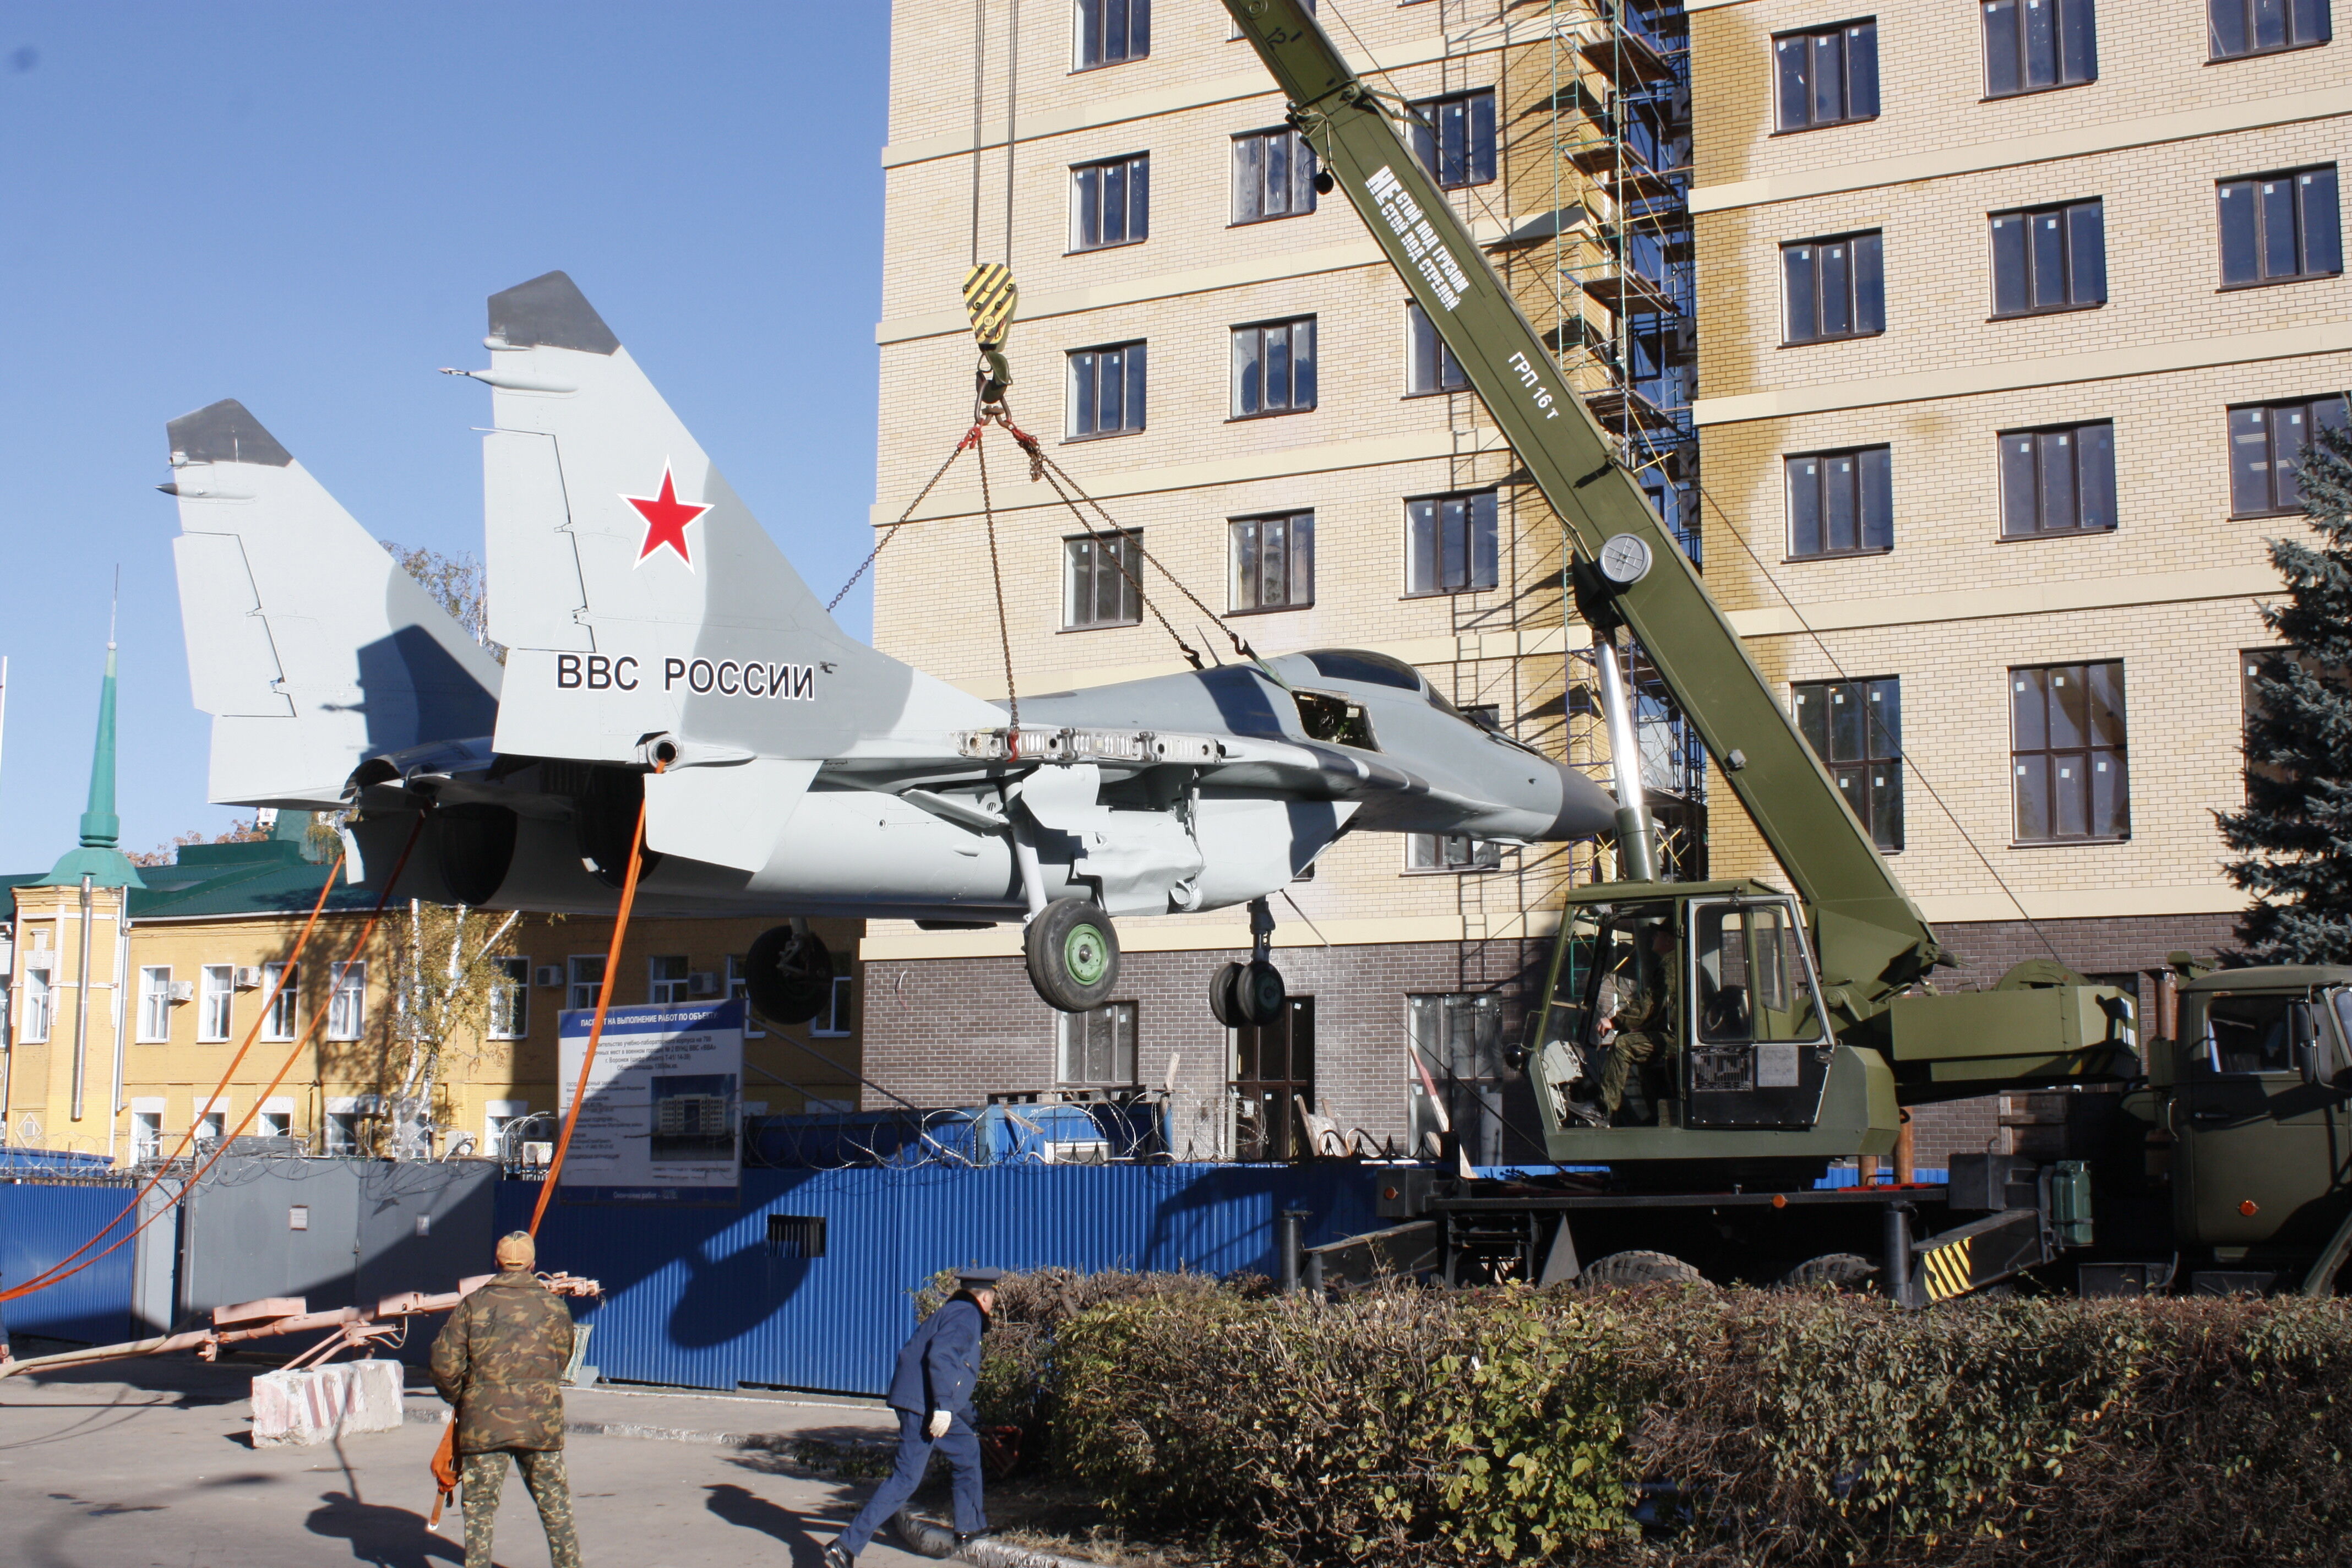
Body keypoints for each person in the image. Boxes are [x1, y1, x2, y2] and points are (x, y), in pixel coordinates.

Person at [824, 1266, 1002, 1567]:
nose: (994, 1306)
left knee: (967, 1450)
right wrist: (944, 1407)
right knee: (906, 1478)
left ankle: (969, 1526)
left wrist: (976, 1421)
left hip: (925, 1401)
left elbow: (954, 1376)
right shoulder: (967, 1315)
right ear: (985, 1297)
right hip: (926, 1405)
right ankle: (845, 1547)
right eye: (994, 1299)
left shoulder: (955, 1311)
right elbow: (942, 1357)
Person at [430, 1230, 581, 1568]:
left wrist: (464, 1398)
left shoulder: (473, 1305)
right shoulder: (554, 1307)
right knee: (556, 1509)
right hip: (540, 1424)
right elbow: (563, 1358)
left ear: (497, 1263)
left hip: (484, 1426)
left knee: (480, 1511)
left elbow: (444, 1364)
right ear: (533, 1265)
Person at [1594, 925, 1679, 1120]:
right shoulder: (1677, 962)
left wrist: (1614, 1022)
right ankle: (1656, 1113)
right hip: (1678, 1036)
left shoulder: (1672, 963)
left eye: (1658, 935)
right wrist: (1643, 1027)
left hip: (1677, 1040)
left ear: (1669, 941)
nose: (1653, 938)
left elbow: (1649, 1004)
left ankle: (1603, 1109)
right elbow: (1664, 1009)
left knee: (1623, 1046)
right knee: (1639, 1048)